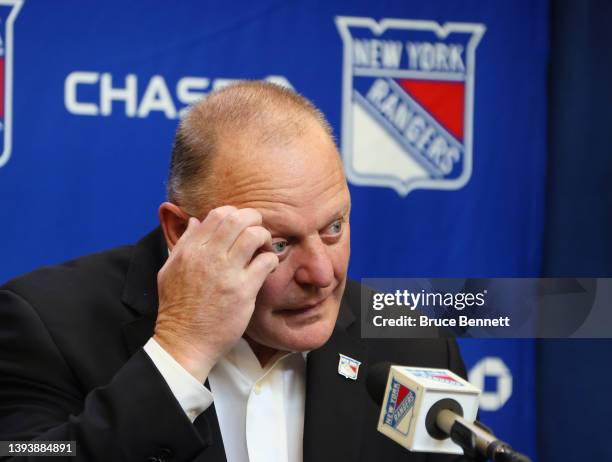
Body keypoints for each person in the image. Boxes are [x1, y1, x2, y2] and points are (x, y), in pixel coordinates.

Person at [0, 82, 466, 462]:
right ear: (181, 231)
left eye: (333, 227)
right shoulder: (44, 323)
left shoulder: (413, 346)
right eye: (278, 244)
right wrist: (178, 353)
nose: (321, 275)